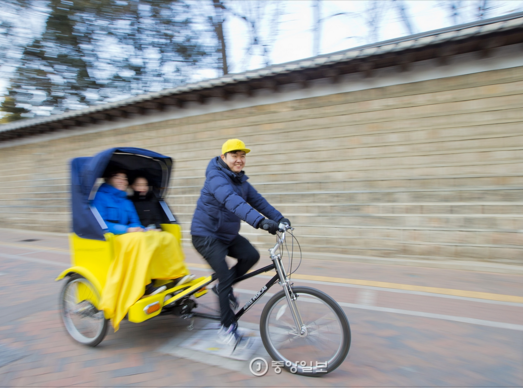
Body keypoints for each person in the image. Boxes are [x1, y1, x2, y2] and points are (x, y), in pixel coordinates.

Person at [191, 139, 291, 349]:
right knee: (225, 275)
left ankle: (222, 290)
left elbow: (259, 201)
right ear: (223, 158)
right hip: (206, 236)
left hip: (226, 236)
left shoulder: (241, 181)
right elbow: (231, 201)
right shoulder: (216, 178)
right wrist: (260, 222)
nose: (239, 160)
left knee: (251, 256)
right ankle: (226, 329)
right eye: (234, 155)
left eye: (242, 156)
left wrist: (280, 218)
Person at [92, 168, 191, 330]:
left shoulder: (126, 200)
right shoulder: (100, 197)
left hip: (131, 236)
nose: (122, 181)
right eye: (118, 177)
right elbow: (102, 223)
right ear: (109, 178)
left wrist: (143, 229)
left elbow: (135, 221)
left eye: (125, 178)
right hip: (112, 238)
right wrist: (126, 230)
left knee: (166, 237)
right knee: (139, 240)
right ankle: (145, 286)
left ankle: (176, 276)